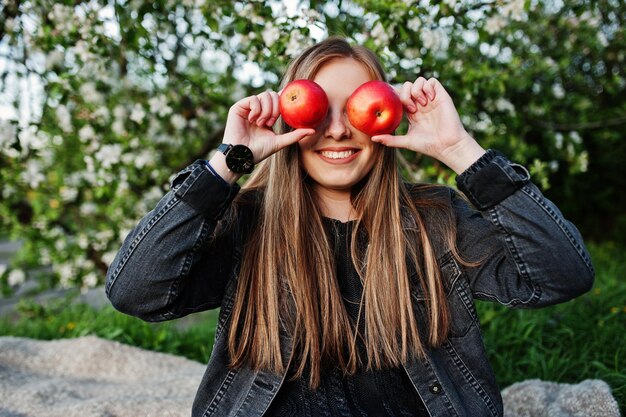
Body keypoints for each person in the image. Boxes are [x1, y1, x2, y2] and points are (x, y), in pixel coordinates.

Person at [105, 37, 595, 417]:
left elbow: (561, 275)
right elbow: (136, 291)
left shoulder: (435, 220)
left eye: (355, 109)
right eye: (317, 110)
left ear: (386, 117)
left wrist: (460, 150)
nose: (337, 129)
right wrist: (227, 166)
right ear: (286, 120)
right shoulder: (248, 224)